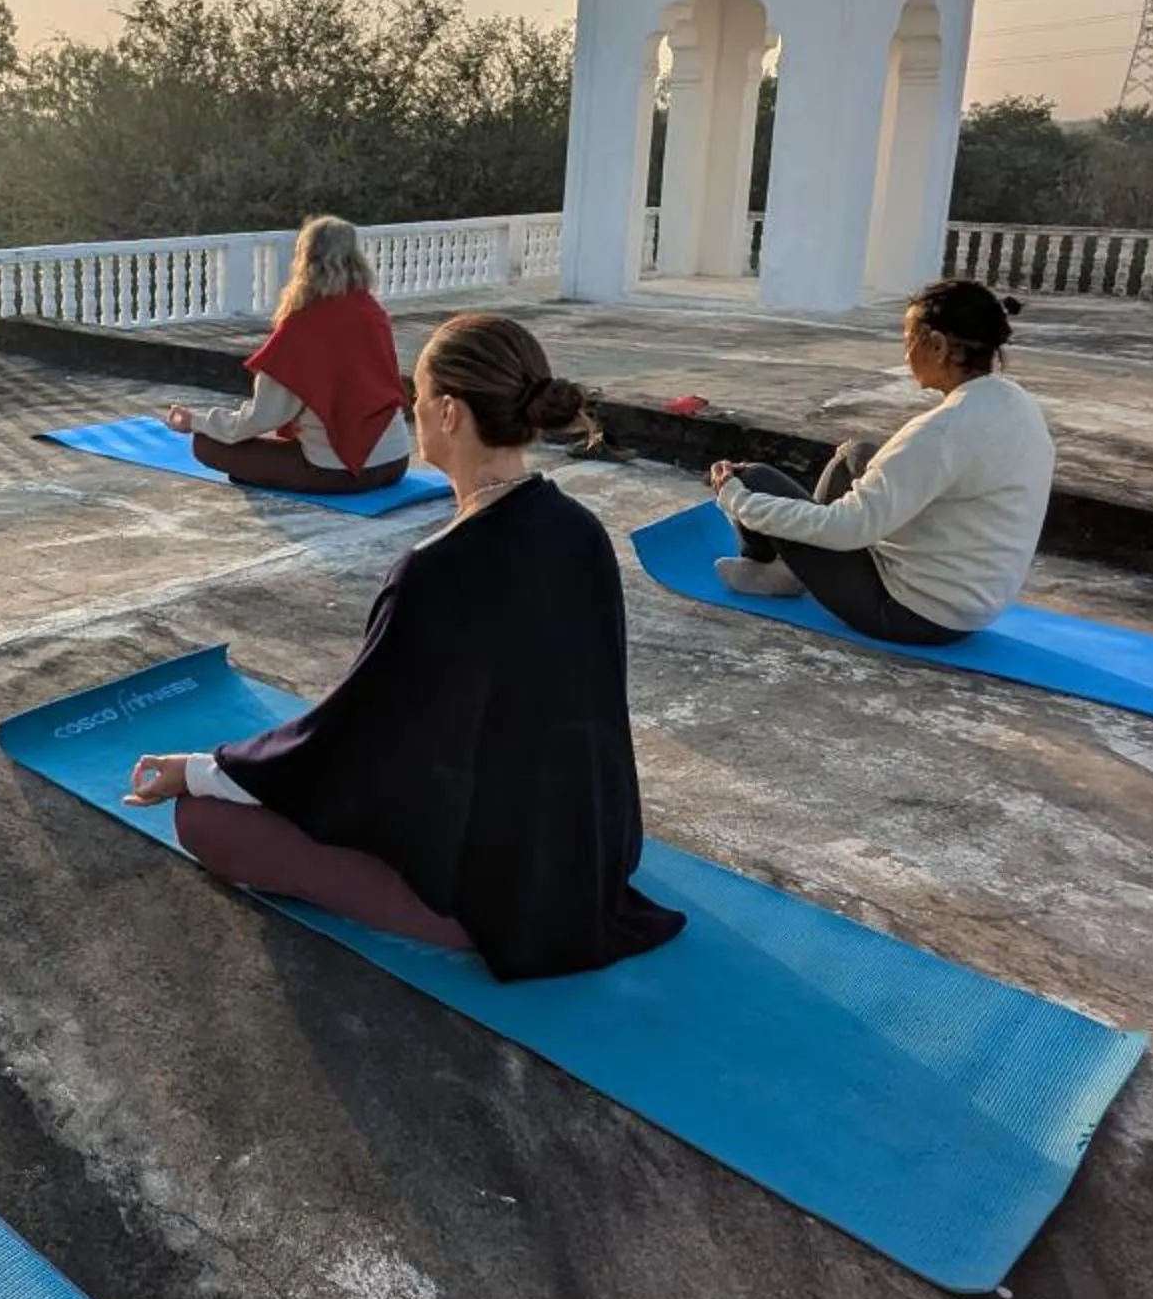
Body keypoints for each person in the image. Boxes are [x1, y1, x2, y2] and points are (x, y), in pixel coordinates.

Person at [127, 312, 685, 981]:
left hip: (503, 895)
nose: (410, 412)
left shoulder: (436, 570)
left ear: (448, 412)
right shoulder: (583, 531)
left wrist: (199, 769)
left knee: (204, 823)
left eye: (417, 399)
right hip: (590, 853)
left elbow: (339, 752)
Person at [706, 278, 1054, 645]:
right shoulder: (1014, 401)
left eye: (908, 342)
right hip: (970, 604)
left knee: (753, 478)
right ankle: (793, 570)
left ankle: (768, 566)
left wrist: (734, 498)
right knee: (855, 454)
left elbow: (845, 528)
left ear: (936, 346)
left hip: (911, 613)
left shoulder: (942, 431)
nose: (905, 357)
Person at [161, 215, 412, 498]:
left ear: (304, 261)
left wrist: (195, 420)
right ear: (356, 258)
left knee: (207, 445)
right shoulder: (374, 314)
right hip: (396, 460)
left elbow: (261, 417)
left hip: (340, 475)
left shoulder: (303, 327)